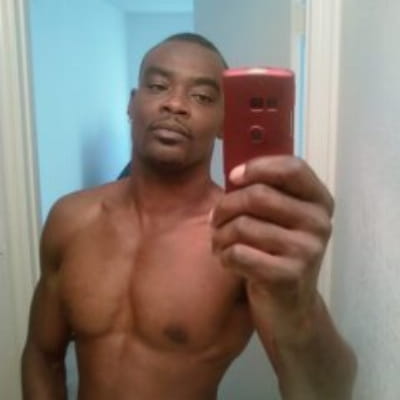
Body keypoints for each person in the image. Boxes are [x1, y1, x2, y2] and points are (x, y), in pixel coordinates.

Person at [21, 32, 357, 400]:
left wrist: (300, 306)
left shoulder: (241, 235)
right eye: (158, 86)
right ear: (132, 104)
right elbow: (42, 356)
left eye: (201, 96)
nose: (175, 104)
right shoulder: (71, 219)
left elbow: (326, 392)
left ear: (226, 123)